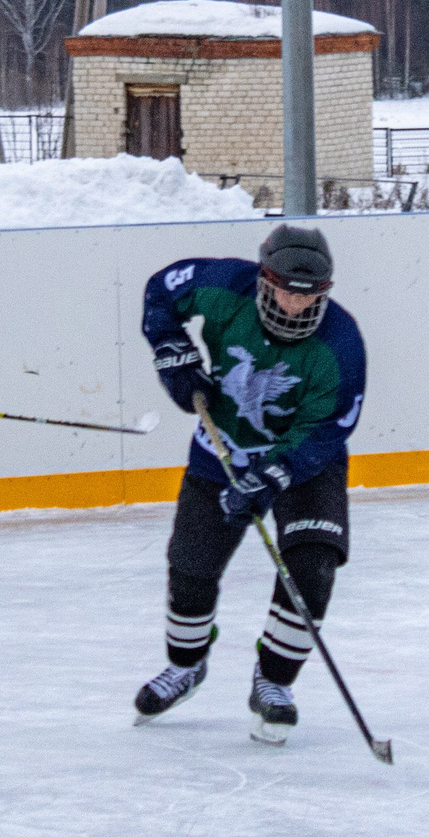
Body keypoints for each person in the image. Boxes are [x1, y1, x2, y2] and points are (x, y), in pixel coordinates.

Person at [133, 225, 368, 745]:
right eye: (286, 289)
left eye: (310, 295)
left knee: (312, 565)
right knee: (191, 566)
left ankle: (274, 682)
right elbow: (160, 289)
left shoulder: (342, 345)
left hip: (307, 462)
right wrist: (172, 348)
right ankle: (186, 666)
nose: (296, 304)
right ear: (263, 277)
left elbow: (328, 428)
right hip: (224, 448)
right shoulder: (222, 285)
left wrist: (269, 479)